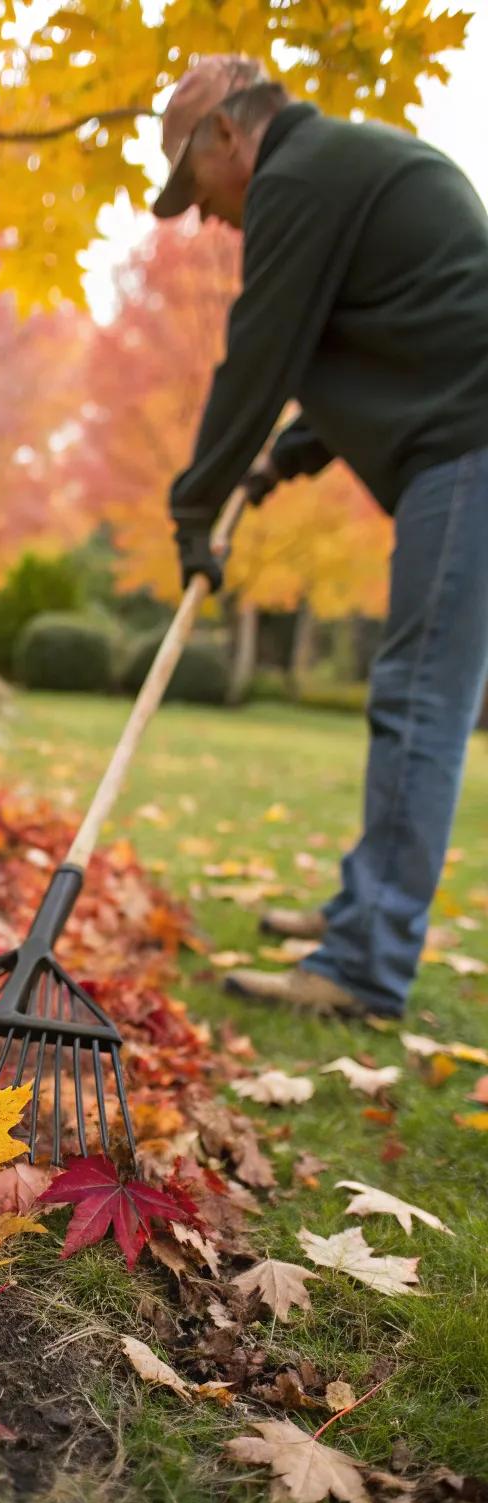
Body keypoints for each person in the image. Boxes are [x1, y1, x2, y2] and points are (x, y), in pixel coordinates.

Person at [155, 55, 488, 1018]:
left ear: (229, 135)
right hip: (457, 430)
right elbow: (378, 328)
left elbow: (262, 352)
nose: (205, 215)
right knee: (416, 693)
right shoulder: (336, 165)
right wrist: (280, 461)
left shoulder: (300, 176)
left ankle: (362, 966)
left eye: (195, 186)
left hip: (470, 438)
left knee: (418, 697)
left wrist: (193, 505)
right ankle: (361, 916)